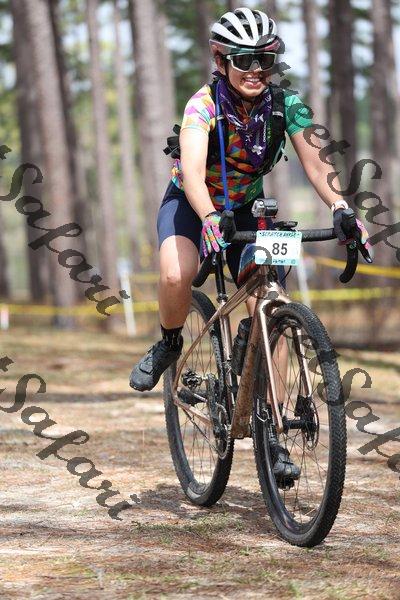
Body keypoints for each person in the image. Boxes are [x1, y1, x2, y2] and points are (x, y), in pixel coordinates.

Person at [129, 8, 368, 396]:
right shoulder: (203, 105)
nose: (256, 69)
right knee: (175, 274)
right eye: (244, 60)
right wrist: (209, 216)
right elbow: (192, 172)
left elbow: (317, 164)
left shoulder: (287, 105)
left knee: (272, 305)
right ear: (220, 60)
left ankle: (273, 422)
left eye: (265, 59)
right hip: (192, 204)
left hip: (245, 208)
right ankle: (169, 343)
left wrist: (340, 207)